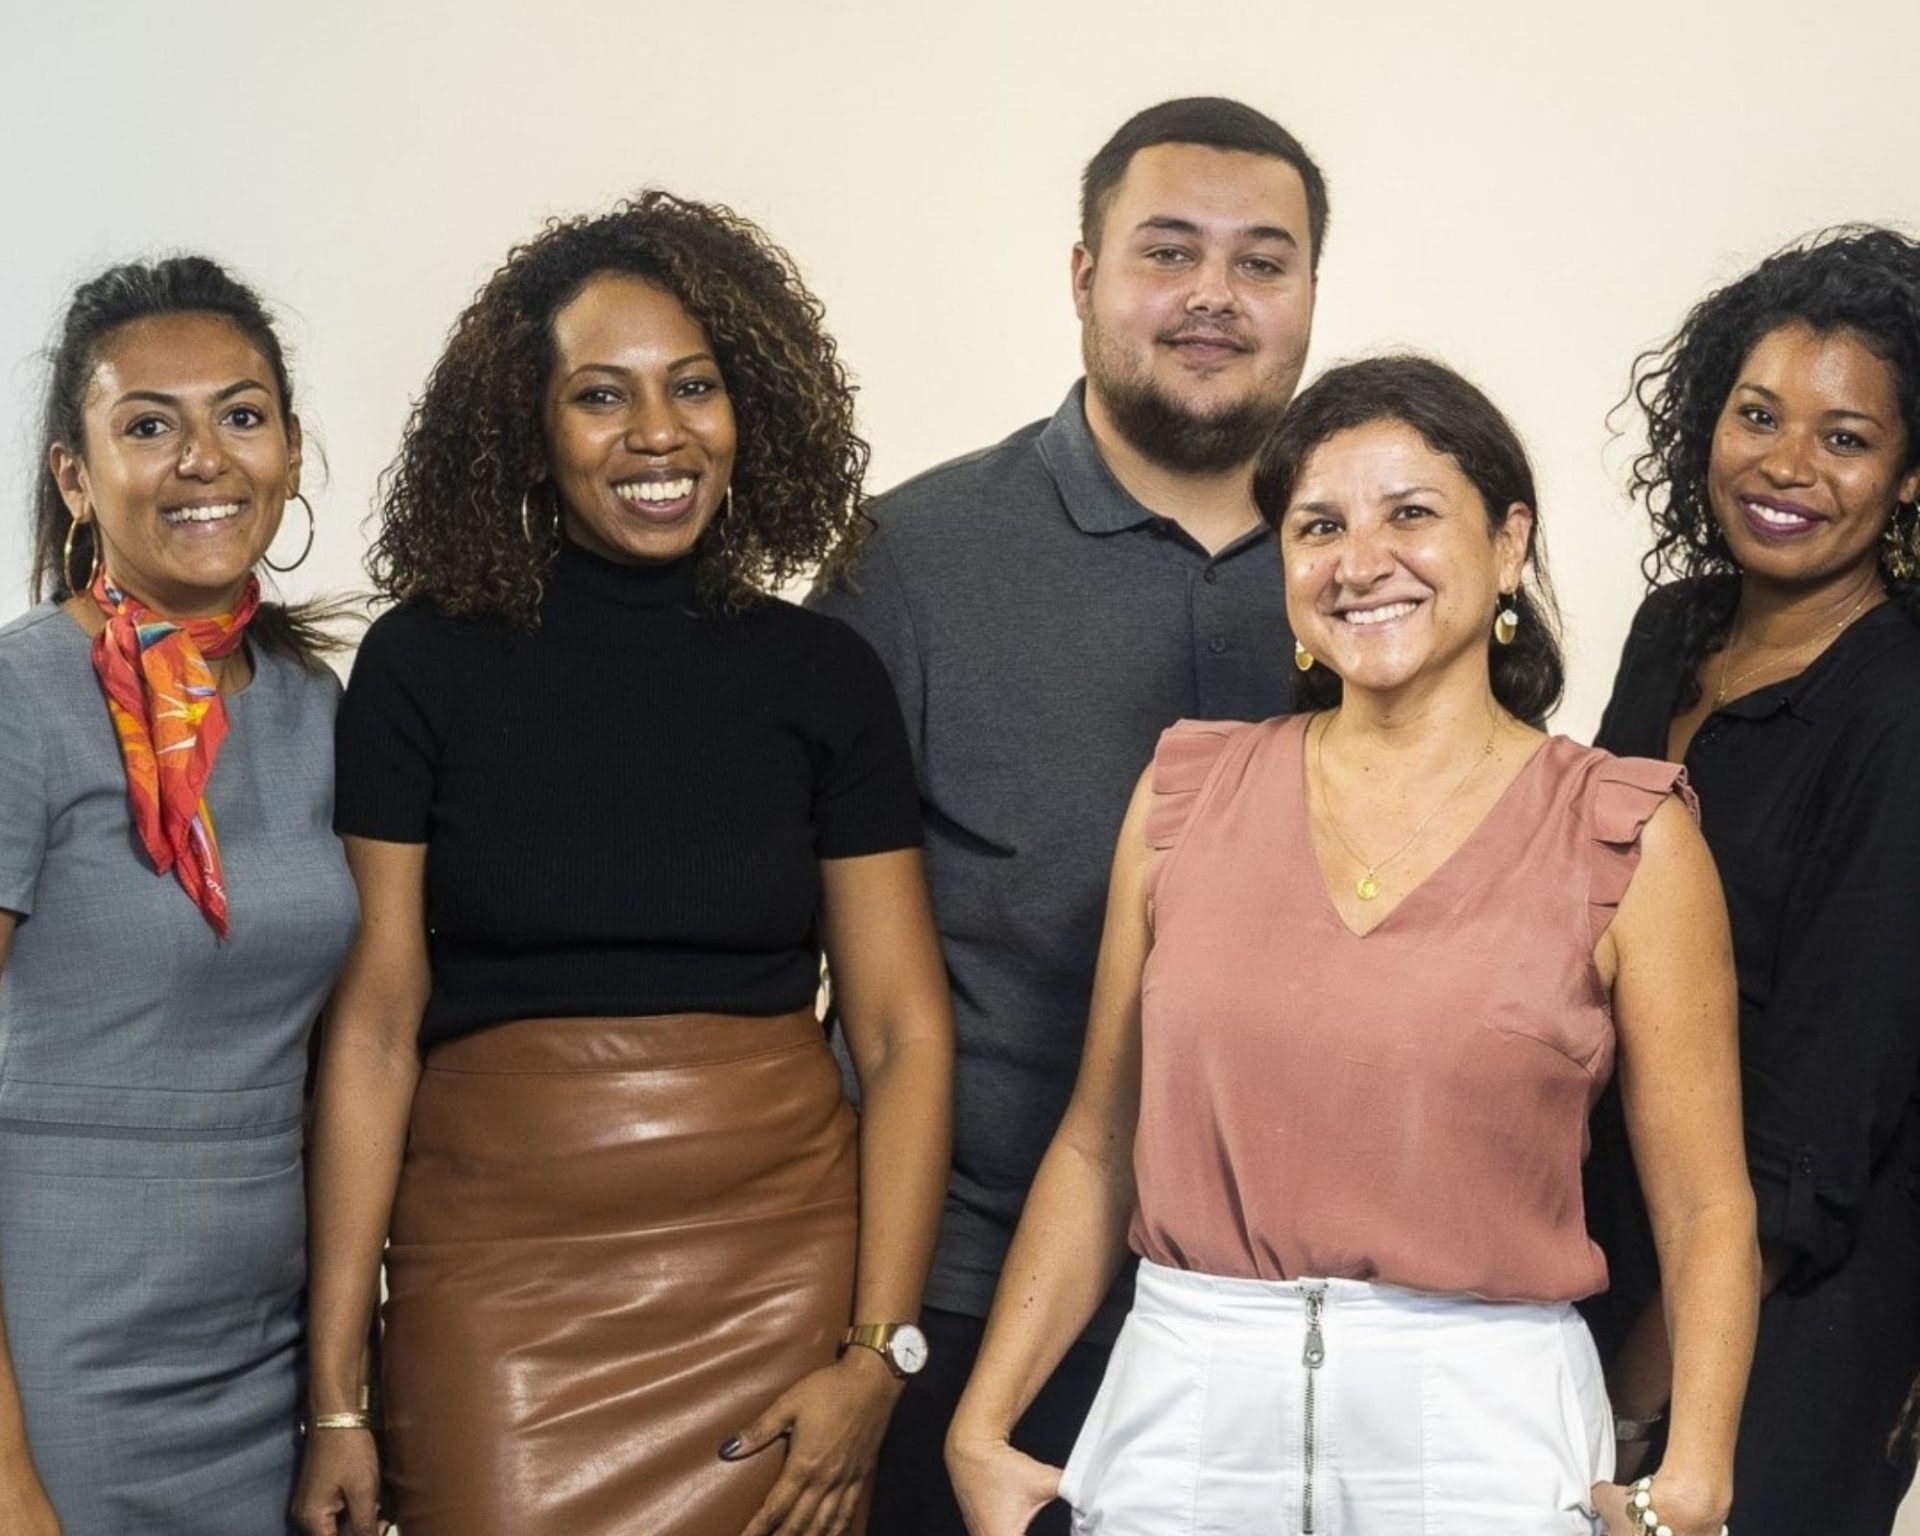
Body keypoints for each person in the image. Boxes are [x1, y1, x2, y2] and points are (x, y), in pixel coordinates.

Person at [946, 356, 1759, 1536]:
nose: (1360, 560)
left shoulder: (1626, 832)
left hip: (1487, 1437)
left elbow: (1705, 1209)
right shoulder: (1185, 790)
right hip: (1185, 1412)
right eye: (1318, 526)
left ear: (1509, 541)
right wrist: (983, 1424)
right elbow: (1098, 1140)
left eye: (1413, 515)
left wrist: (1696, 1469)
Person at [291, 192, 952, 1536]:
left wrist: (877, 1351)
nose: (660, 433)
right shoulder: (423, 665)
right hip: (496, 1278)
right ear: (527, 432)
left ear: (750, 410)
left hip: (778, 1267)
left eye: (695, 387)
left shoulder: (823, 676)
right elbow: (371, 1031)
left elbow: (899, 1030)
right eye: (603, 394)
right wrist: (336, 1396)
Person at [811, 96, 1326, 1532]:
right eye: (1169, 252)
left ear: (1309, 298)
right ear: (1083, 275)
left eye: (1263, 262)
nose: (1215, 297)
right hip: (965, 1303)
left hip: (1294, 1318)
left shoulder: (1383, 568)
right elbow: (793, 957)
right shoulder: (909, 562)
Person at [0, 257, 358, 1535]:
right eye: (148, 424)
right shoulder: (21, 697)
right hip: (60, 1357)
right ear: (74, 477)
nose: (204, 457)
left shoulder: (319, 710)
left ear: (292, 449)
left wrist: (339, 1398)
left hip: (264, 1352)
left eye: (241, 414)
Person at [1583, 226, 1920, 1535]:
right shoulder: (1675, 635)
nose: (1786, 467)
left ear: (1906, 478)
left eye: (1846, 438)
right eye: (1759, 414)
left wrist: (1647, 1392)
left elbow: (1822, 1115)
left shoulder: (1898, 709)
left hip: (1794, 1296)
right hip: (1617, 1226)